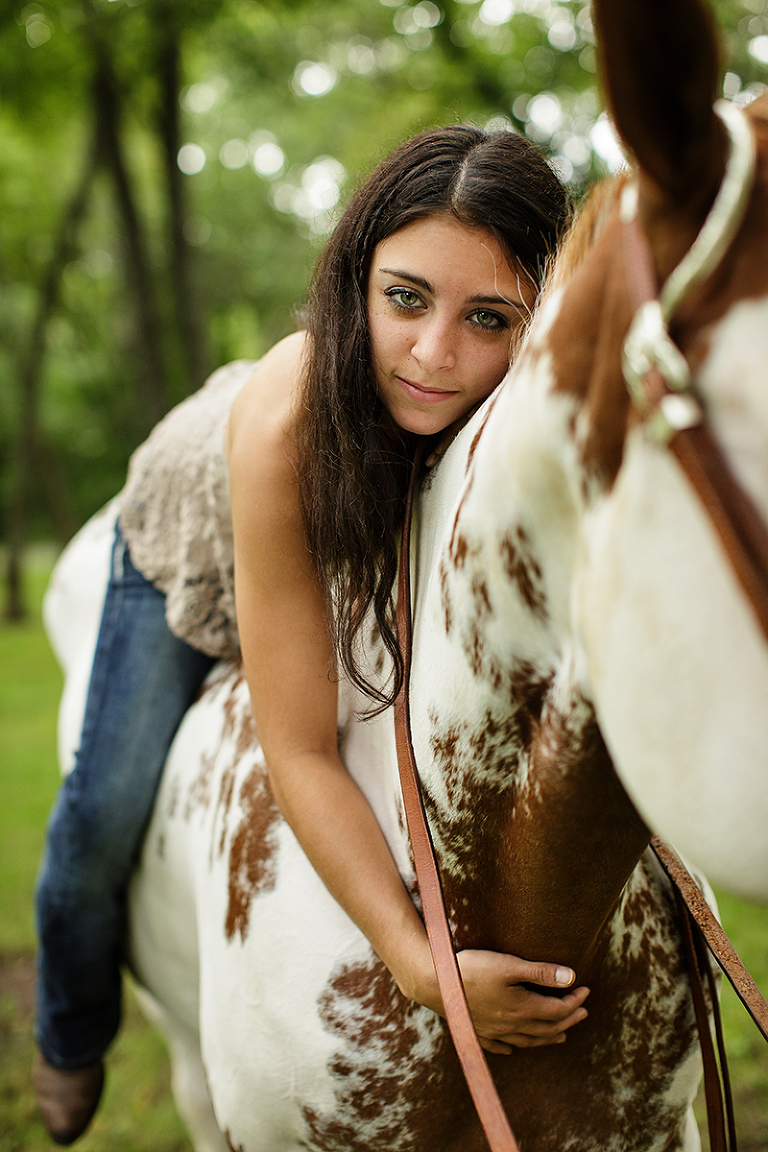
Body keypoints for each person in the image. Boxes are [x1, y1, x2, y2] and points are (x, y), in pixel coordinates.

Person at [33, 125, 588, 1146]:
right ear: (354, 281)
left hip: (346, 533)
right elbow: (298, 745)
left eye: (490, 317)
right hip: (186, 541)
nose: (435, 354)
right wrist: (423, 969)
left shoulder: (515, 417)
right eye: (407, 298)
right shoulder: (286, 423)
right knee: (103, 811)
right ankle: (69, 1030)